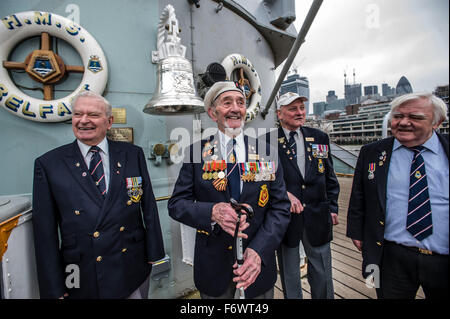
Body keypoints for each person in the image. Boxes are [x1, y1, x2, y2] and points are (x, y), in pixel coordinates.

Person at [32, 91, 165, 299]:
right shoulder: (49, 164)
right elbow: (45, 233)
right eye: (78, 114)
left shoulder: (132, 154)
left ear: (109, 121)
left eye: (93, 115)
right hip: (79, 270)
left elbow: (148, 206)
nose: (83, 121)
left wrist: (154, 252)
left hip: (131, 264)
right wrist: (54, 287)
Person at [168, 81, 291, 299]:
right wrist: (212, 211)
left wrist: (259, 251)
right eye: (227, 102)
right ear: (212, 113)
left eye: (241, 102)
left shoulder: (266, 152)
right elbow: (177, 204)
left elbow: (280, 207)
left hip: (257, 265)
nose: (235, 108)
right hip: (213, 266)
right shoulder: (196, 153)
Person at [346, 92, 449, 299]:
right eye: (397, 116)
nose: (403, 123)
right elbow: (359, 196)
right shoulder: (371, 152)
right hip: (390, 255)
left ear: (437, 122)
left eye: (415, 117)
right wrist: (356, 232)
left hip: (443, 258)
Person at [270, 91, 340, 299]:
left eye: (302, 108)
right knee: (290, 273)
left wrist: (333, 207)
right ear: (279, 114)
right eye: (293, 109)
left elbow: (329, 176)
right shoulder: (267, 141)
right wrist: (283, 194)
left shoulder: (319, 137)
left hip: (318, 213)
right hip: (285, 216)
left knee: (322, 271)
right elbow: (263, 180)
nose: (300, 113)